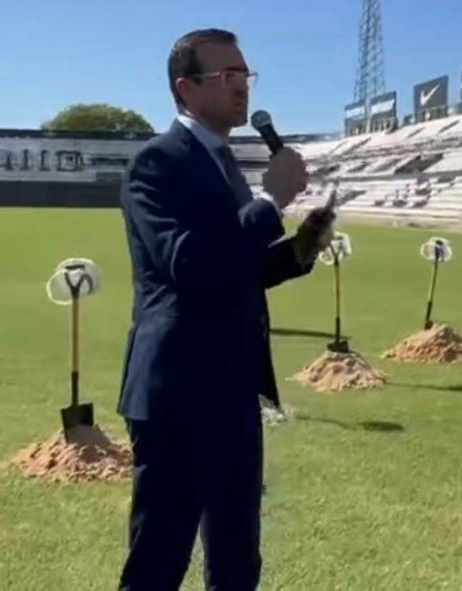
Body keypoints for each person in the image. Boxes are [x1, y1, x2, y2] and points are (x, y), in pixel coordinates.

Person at [116, 28, 333, 591]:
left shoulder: (225, 165)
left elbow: (237, 269)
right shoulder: (155, 164)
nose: (241, 86)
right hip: (176, 396)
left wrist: (299, 249)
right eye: (226, 76)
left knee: (237, 561)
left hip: (233, 391)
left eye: (245, 74)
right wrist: (269, 202)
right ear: (185, 90)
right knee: (159, 563)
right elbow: (190, 264)